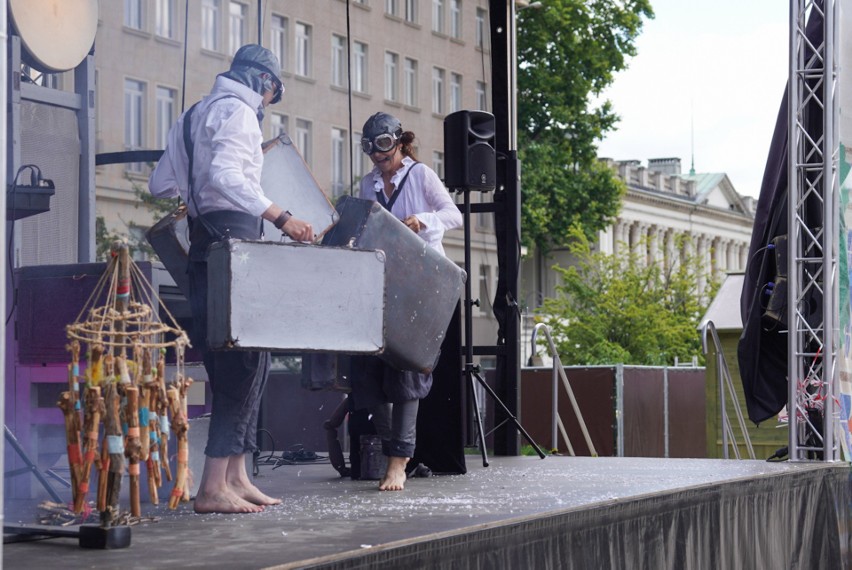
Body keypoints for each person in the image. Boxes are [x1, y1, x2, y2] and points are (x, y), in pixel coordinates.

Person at [149, 44, 314, 513]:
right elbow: (225, 175)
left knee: (244, 363)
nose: (267, 105)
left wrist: (192, 191)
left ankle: (236, 475)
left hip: (205, 248)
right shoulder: (239, 113)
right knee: (241, 363)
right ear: (263, 81)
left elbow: (159, 183)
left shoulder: (191, 116)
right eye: (272, 95)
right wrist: (281, 216)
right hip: (235, 247)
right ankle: (212, 487)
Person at [354, 112, 463, 491]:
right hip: (382, 284)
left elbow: (454, 214)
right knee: (368, 379)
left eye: (383, 145)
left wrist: (422, 219)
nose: (377, 155)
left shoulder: (420, 175)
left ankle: (397, 463)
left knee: (407, 376)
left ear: (399, 142)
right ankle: (394, 452)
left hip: (421, 284)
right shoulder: (368, 184)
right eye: (370, 148)